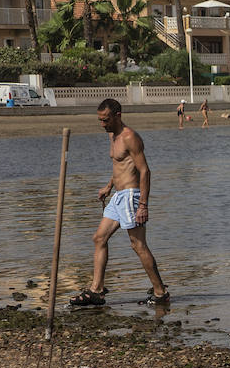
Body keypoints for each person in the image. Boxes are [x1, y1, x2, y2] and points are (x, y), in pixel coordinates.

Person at [70, 98, 169, 307]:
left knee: (138, 244)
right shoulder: (111, 135)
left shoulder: (130, 137)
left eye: (105, 120)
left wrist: (143, 205)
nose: (102, 124)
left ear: (118, 115)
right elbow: (119, 166)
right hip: (118, 195)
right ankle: (96, 291)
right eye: (100, 120)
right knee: (99, 238)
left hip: (132, 196)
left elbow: (144, 170)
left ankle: (160, 292)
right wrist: (109, 186)